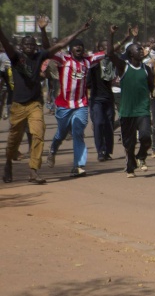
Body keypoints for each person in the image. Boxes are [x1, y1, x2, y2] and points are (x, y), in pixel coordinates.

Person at [2, 16, 93, 184]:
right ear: (21, 47)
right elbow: (6, 42)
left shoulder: (39, 56)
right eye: (26, 44)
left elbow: (61, 44)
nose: (29, 47)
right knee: (14, 138)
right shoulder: (16, 57)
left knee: (38, 134)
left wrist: (80, 30)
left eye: (32, 44)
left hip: (35, 103)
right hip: (18, 105)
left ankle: (33, 171)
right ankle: (8, 163)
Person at [46, 18, 106, 178]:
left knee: (78, 132)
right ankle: (53, 148)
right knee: (62, 132)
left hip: (81, 104)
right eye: (75, 47)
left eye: (81, 47)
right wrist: (44, 30)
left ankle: (78, 165)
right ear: (71, 49)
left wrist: (120, 37)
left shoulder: (88, 61)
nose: (78, 48)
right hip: (64, 105)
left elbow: (108, 52)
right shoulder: (63, 59)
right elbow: (48, 49)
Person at [108, 25, 154, 178]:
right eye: (138, 49)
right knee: (129, 142)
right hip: (127, 111)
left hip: (143, 110)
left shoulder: (147, 70)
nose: (142, 51)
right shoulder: (123, 67)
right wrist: (112, 35)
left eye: (141, 49)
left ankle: (141, 156)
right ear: (130, 54)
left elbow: (151, 88)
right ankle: (130, 167)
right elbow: (110, 53)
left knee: (146, 137)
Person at [89, 27, 136, 162]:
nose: (108, 49)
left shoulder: (114, 61)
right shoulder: (93, 62)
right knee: (98, 123)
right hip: (96, 98)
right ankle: (100, 151)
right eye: (104, 47)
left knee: (109, 125)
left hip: (109, 97)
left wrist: (129, 38)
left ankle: (107, 151)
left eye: (108, 47)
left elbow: (130, 54)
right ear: (99, 48)